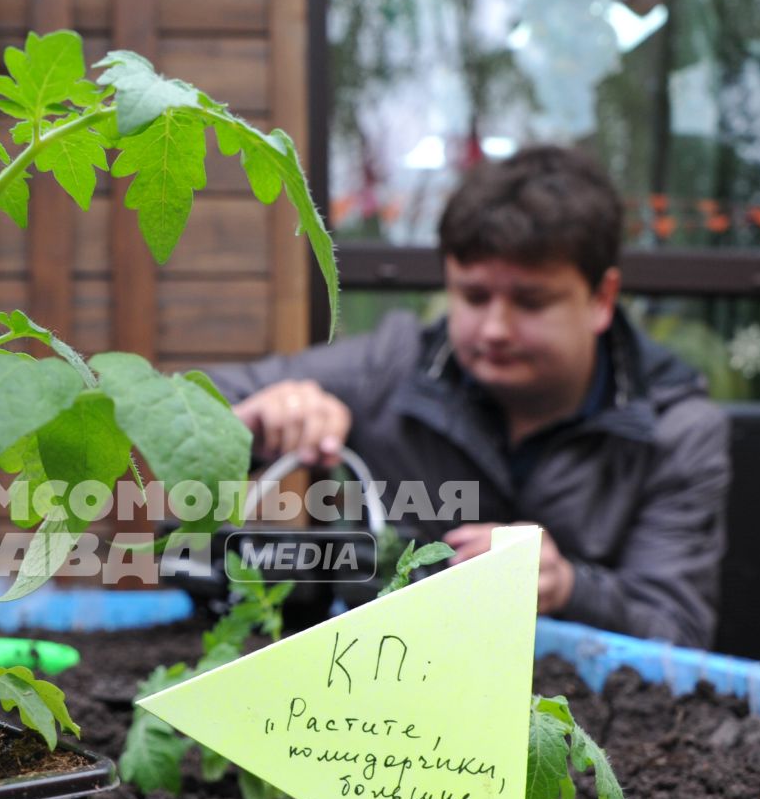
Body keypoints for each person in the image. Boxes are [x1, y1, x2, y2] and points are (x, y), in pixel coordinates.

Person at [206, 145, 730, 649]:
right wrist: (254, 424)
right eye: (474, 296)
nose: (495, 329)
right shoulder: (392, 367)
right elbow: (187, 413)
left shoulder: (676, 430)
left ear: (601, 300)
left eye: (531, 301)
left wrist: (571, 588)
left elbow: (676, 631)